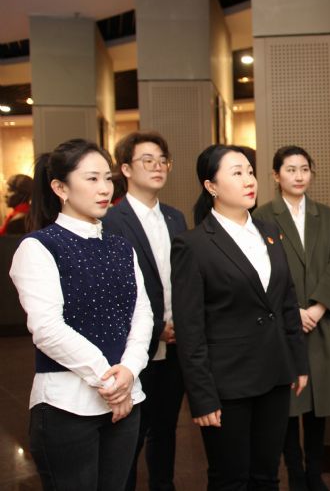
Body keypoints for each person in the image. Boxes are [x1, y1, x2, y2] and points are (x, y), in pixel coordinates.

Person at [9, 138, 154, 490]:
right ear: (60, 188)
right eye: (91, 179)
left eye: (107, 178)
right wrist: (109, 380)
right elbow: (47, 329)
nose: (104, 189)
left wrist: (129, 371)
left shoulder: (121, 247)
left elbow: (142, 315)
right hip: (66, 406)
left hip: (126, 400)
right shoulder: (39, 247)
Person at [171, 144, 309, 490]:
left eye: (249, 171)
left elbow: (286, 301)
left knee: (267, 475)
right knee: (230, 479)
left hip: (274, 374)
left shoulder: (270, 232)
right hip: (227, 383)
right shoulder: (194, 244)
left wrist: (298, 361)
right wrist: (202, 396)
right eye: (237, 173)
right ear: (211, 186)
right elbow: (190, 329)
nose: (249, 180)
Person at [253, 146, 330, 491]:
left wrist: (319, 306)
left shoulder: (326, 215)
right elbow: (260, 270)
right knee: (289, 402)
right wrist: (292, 310)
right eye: (290, 169)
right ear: (276, 175)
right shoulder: (262, 216)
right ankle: (295, 473)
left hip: (322, 321)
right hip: (284, 323)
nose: (298, 176)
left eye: (304, 169)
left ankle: (314, 474)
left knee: (318, 401)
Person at [102, 131, 187, 491]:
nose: (157, 167)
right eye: (147, 161)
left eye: (162, 160)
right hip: (134, 350)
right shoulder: (111, 220)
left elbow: (182, 279)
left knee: (166, 430)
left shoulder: (175, 218)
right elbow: (113, 293)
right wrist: (155, 330)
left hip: (177, 345)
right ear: (125, 169)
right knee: (131, 435)